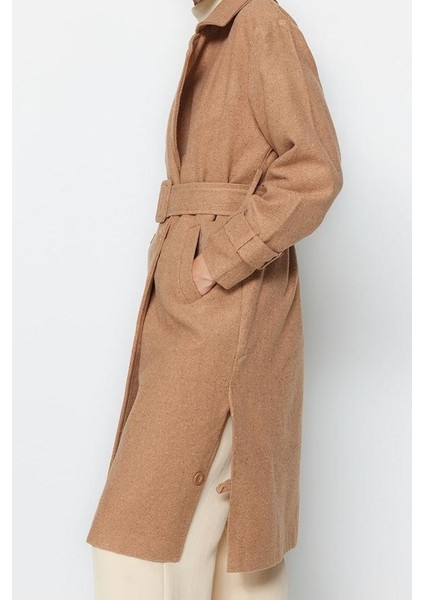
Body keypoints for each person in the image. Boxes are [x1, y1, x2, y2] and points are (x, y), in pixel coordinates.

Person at [86, 0, 343, 598]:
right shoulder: (220, 31)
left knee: (142, 540)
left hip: (227, 310)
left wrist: (216, 262)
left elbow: (314, 171)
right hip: (202, 307)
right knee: (236, 551)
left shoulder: (261, 25)